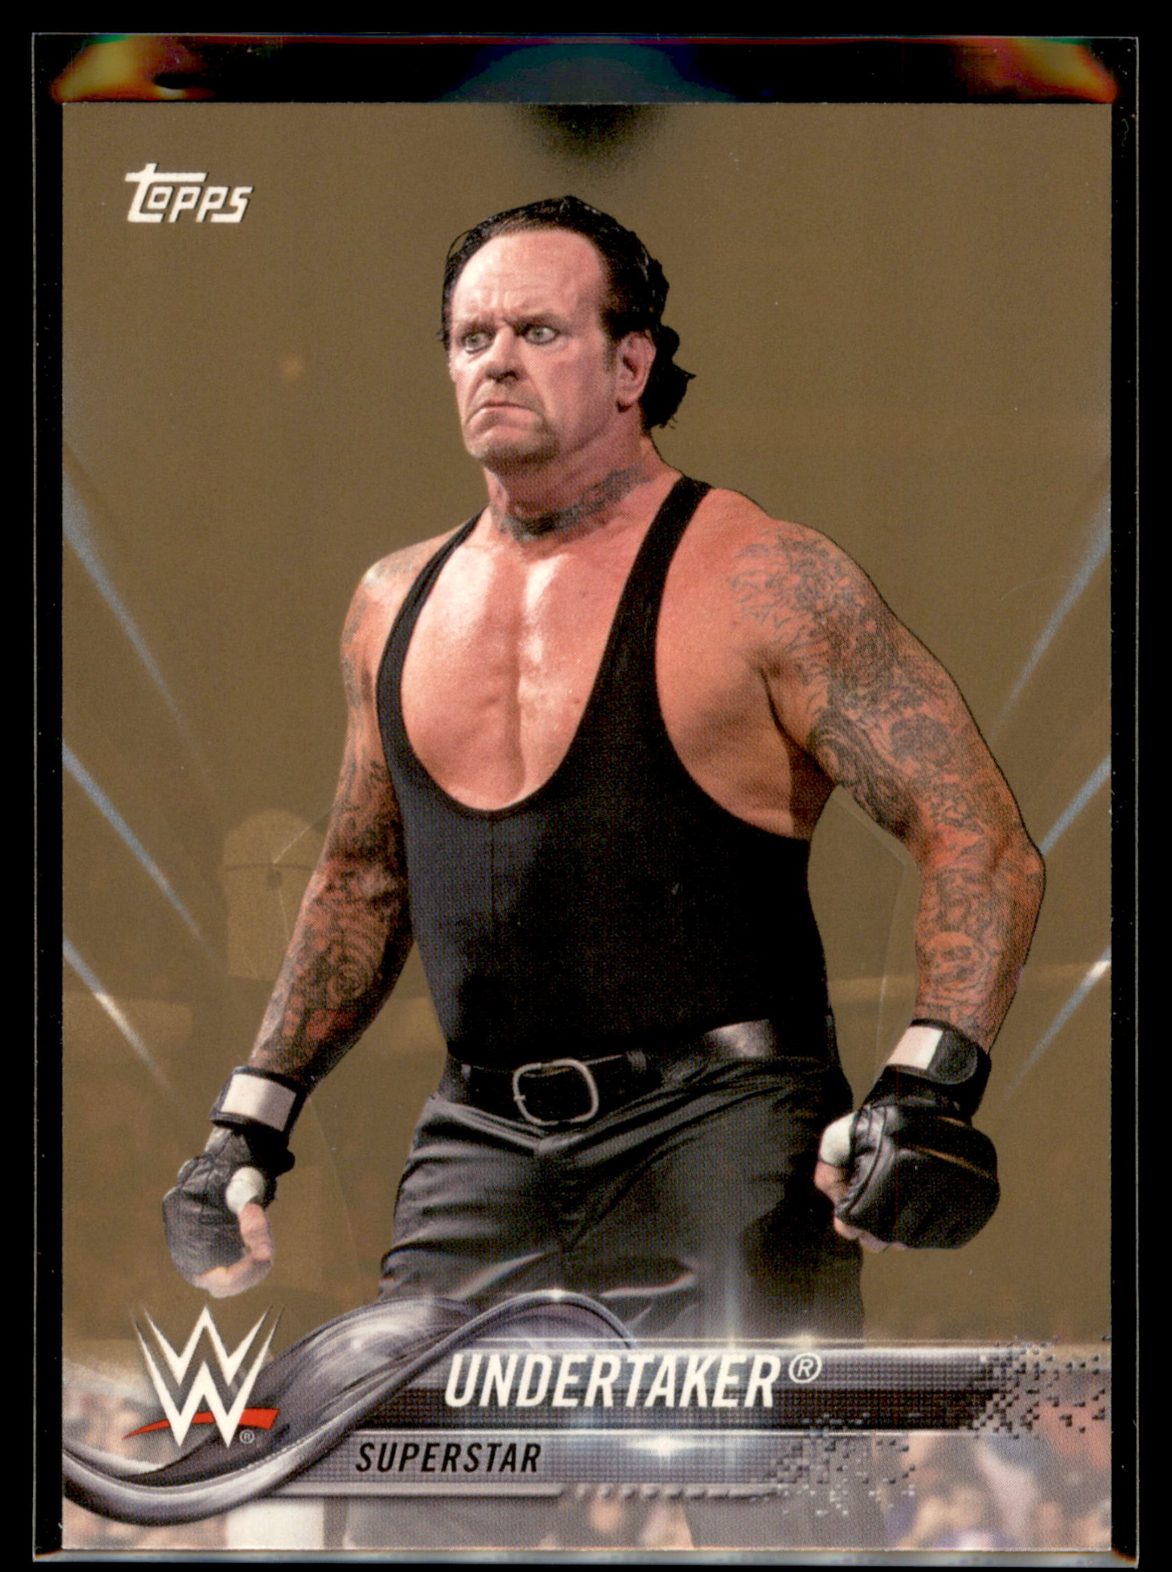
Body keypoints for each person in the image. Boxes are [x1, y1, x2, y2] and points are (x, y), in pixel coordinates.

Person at [164, 196, 1044, 1348]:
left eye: (537, 331)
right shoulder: (390, 604)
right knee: (406, 1455)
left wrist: (928, 1082)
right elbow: (363, 877)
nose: (495, 361)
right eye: (471, 338)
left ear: (631, 364)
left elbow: (974, 835)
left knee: (749, 1467)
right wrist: (248, 1120)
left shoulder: (767, 580)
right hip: (478, 1145)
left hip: (721, 1136)